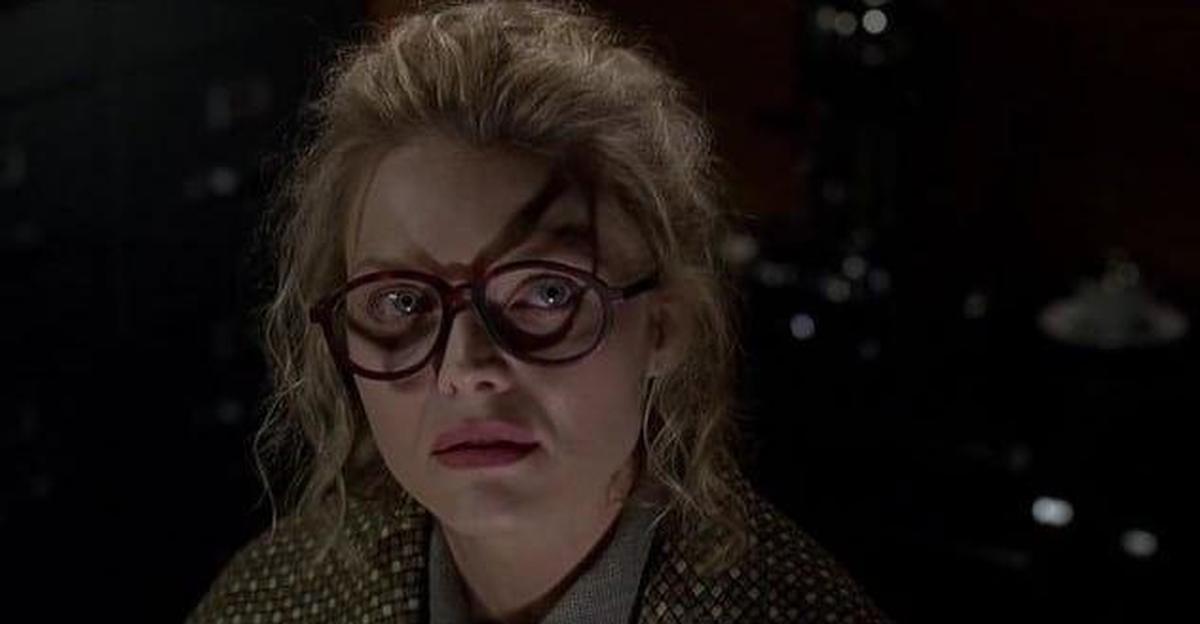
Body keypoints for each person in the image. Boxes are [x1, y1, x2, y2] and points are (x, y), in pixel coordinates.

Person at [188, 1, 890, 622]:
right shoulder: (267, 602)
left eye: (547, 293)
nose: (466, 369)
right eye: (401, 301)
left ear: (664, 324)